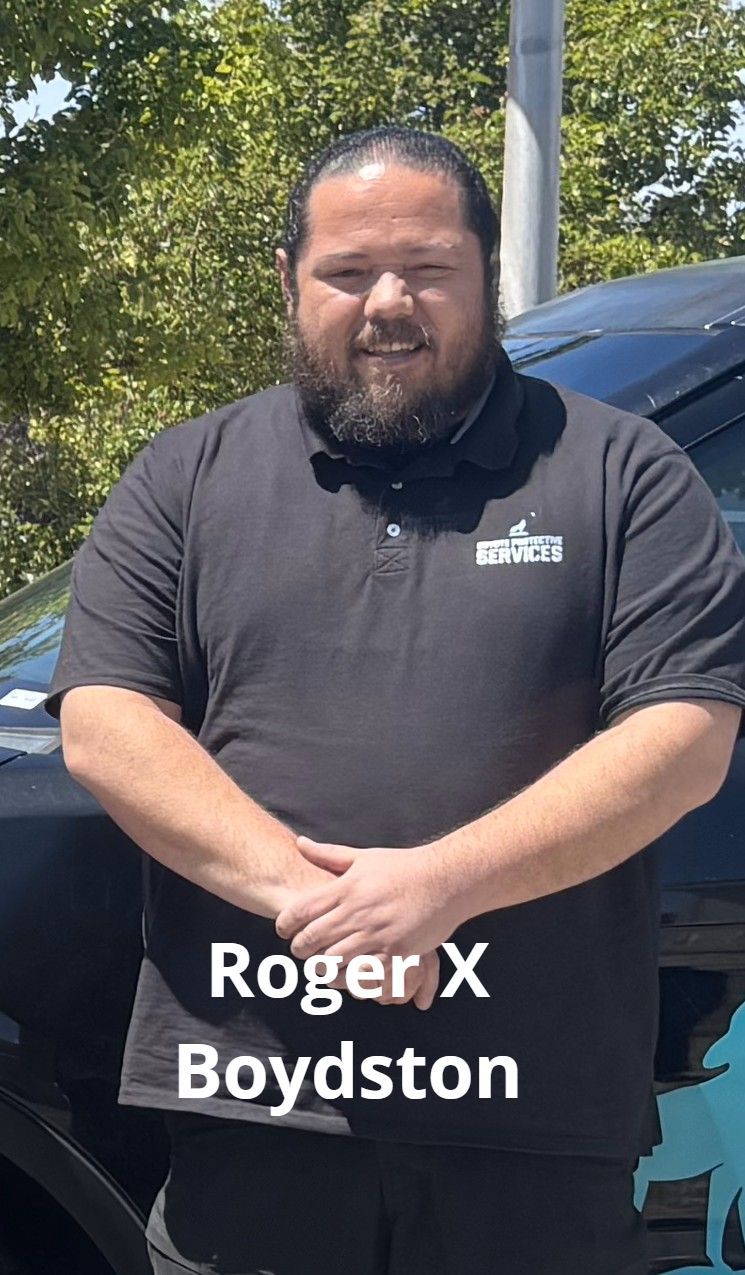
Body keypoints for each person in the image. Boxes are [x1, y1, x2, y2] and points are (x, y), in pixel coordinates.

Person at [46, 126, 745, 1275]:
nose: (388, 303)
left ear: (487, 278)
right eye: (347, 272)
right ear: (289, 281)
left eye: (427, 269)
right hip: (255, 1099)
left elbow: (683, 737)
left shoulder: (620, 473)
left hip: (530, 1116)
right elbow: (108, 726)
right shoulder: (188, 476)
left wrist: (439, 887)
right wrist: (325, 908)